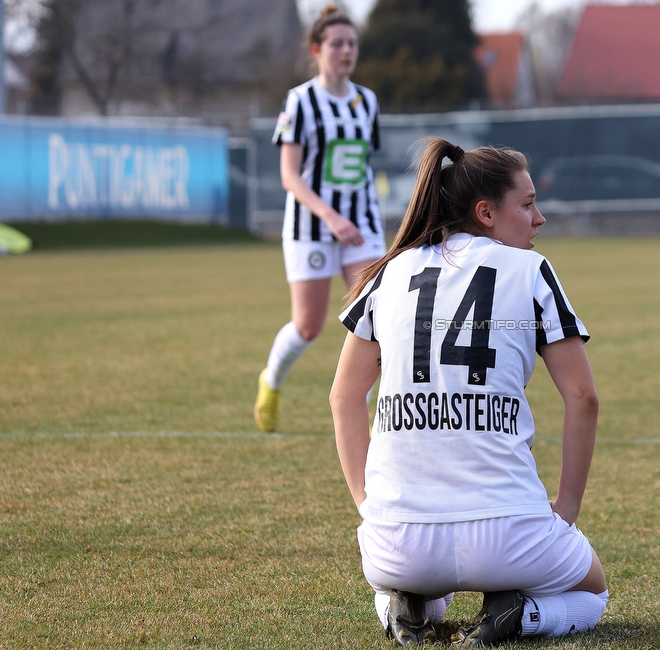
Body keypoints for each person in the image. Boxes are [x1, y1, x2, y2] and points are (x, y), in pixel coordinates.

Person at [330, 137, 608, 647]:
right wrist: (566, 508)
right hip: (510, 534)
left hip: (395, 541)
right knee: (593, 591)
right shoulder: (530, 270)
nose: (539, 218)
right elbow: (583, 398)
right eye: (526, 204)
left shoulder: (390, 271)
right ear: (485, 212)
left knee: (413, 573)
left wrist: (370, 505)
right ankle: (519, 617)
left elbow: (344, 396)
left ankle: (402, 606)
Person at [254, 4, 385, 433]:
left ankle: (359, 412)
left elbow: (363, 166)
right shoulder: (300, 101)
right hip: (312, 226)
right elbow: (290, 176)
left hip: (361, 227)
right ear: (317, 49)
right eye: (337, 44)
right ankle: (270, 383)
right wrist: (329, 216)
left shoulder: (367, 101)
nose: (347, 51)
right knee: (308, 326)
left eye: (352, 44)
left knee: (377, 317)